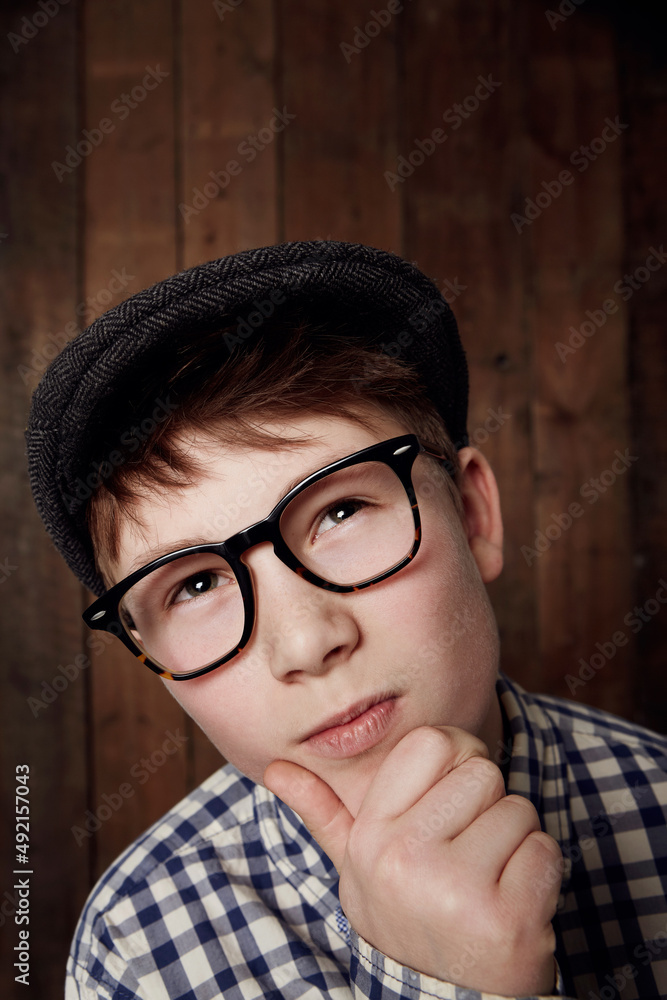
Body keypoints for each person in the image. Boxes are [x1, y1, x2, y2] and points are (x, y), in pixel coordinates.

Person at [26, 241, 667, 1000]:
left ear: (471, 513)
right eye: (195, 585)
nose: (306, 642)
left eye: (339, 511)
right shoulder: (136, 946)